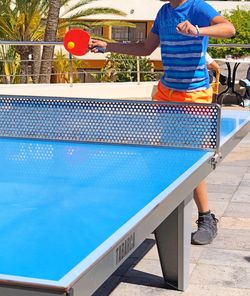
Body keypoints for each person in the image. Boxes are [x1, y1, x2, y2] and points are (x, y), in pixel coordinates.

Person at [91, 0, 235, 245]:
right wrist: (108, 45)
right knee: (166, 155)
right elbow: (146, 48)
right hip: (166, 93)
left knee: (191, 158)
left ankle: (206, 218)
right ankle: (166, 212)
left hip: (194, 94)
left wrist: (198, 30)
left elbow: (229, 29)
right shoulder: (163, 12)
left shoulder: (197, 7)